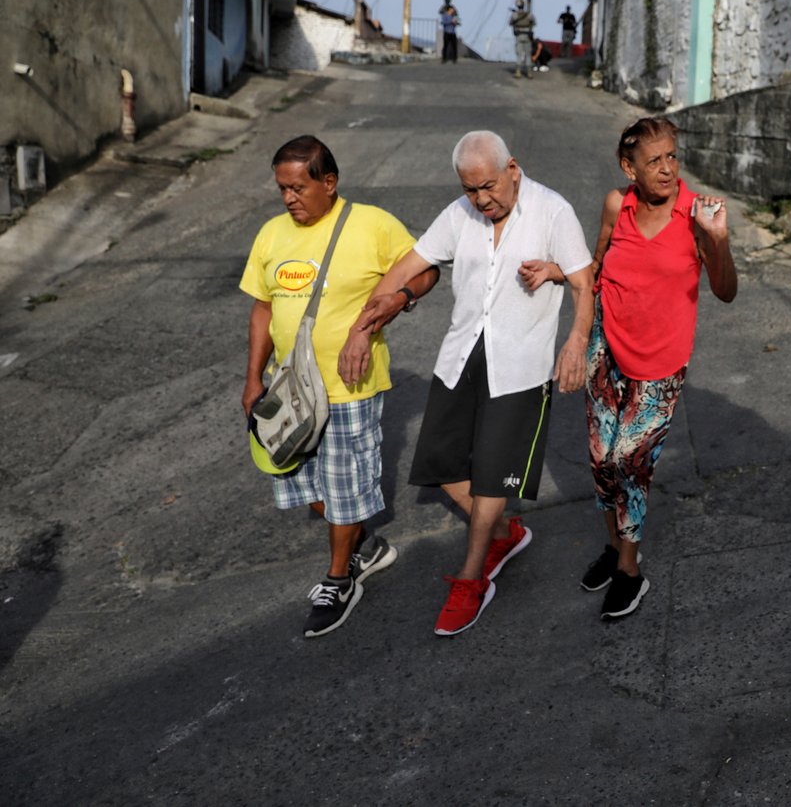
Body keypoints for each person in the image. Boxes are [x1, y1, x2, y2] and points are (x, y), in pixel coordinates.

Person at [340, 131, 593, 636]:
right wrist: (360, 329)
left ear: (512, 169)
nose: (481, 199)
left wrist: (576, 342)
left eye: (488, 186)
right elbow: (409, 266)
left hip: (520, 366)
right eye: (470, 189)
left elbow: (585, 281)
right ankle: (502, 533)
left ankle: (472, 577)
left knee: (492, 475)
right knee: (440, 465)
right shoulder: (460, 214)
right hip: (460, 356)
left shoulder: (553, 211)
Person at [241, 135, 439, 638]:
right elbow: (262, 308)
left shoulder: (372, 225)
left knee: (344, 487)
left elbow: (427, 271)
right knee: (301, 483)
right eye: (282, 189)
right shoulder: (271, 234)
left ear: (328, 182)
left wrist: (399, 299)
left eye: (298, 188)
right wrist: (252, 379)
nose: (289, 198)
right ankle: (365, 546)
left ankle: (340, 578)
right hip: (290, 389)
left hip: (351, 385)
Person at [580, 117, 737, 619]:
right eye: (654, 161)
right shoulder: (616, 204)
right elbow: (596, 266)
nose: (668, 168)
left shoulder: (695, 214)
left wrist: (718, 239)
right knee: (602, 458)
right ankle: (615, 548)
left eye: (672, 156)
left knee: (630, 460)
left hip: (661, 363)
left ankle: (630, 570)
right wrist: (576, 326)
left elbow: (726, 291)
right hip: (607, 348)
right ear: (629, 169)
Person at [509, 0, 535, 79]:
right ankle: (529, 72)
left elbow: (511, 23)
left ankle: (518, 72)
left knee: (519, 54)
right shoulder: (529, 14)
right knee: (528, 54)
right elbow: (533, 23)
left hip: (519, 35)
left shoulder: (515, 15)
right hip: (527, 35)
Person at [439, 0, 460, 64]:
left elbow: (456, 13)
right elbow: (441, 13)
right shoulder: (444, 9)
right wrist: (450, 21)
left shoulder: (452, 7)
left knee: (454, 46)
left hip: (453, 31)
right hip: (447, 31)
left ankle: (454, 59)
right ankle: (444, 58)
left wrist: (456, 22)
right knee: (446, 45)